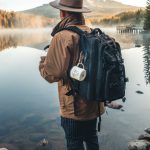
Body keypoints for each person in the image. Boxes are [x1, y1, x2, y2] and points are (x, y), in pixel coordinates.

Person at [39, 0, 105, 149]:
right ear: (80, 12)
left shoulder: (62, 36)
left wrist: (43, 64)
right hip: (95, 103)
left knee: (74, 141)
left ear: (62, 13)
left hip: (74, 107)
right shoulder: (91, 31)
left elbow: (52, 74)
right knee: (91, 138)